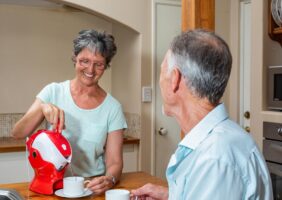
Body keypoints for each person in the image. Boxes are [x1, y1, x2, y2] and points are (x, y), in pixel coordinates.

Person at [131, 29, 273, 200]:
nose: (160, 81)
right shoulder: (223, 140)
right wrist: (172, 196)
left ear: (175, 79)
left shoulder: (214, 158)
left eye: (161, 72)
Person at [12, 29, 127, 195]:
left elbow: (115, 162)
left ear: (106, 66)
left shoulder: (113, 108)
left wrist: (109, 179)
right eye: (84, 61)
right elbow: (18, 132)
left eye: (99, 64)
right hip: (52, 188)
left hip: (91, 189)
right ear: (75, 58)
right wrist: (42, 108)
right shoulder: (53, 92)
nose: (90, 70)